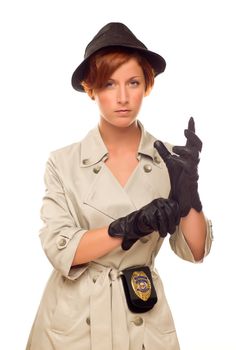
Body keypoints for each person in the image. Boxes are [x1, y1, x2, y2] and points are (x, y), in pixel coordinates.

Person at [26, 22, 213, 350]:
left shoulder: (171, 160)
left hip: (141, 312)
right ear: (91, 88)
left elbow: (195, 251)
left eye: (133, 83)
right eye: (109, 84)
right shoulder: (63, 162)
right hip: (75, 320)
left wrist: (190, 195)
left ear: (147, 86)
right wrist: (127, 227)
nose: (123, 97)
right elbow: (59, 249)